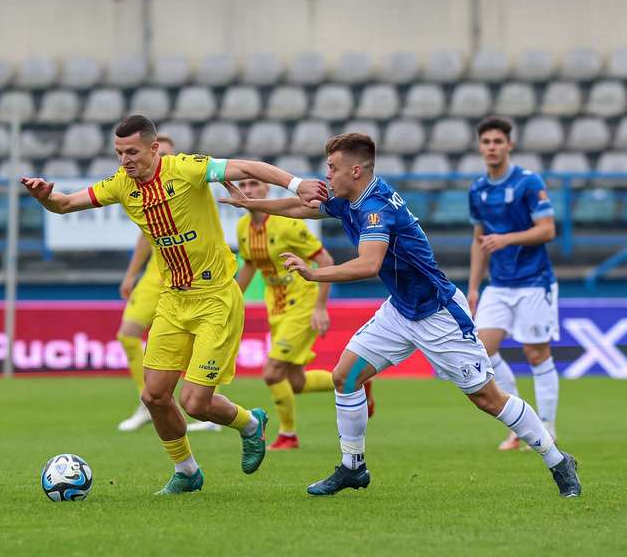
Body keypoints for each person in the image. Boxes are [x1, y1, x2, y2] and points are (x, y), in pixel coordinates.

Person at [219, 132, 581, 498]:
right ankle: (352, 466)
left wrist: (315, 274)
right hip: (401, 309)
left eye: (332, 168)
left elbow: (368, 263)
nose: (326, 174)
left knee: (488, 398)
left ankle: (557, 460)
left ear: (355, 170)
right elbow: (302, 207)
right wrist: (251, 204)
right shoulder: (351, 197)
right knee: (345, 376)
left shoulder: (376, 206)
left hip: (437, 312)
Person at [21, 114, 327, 494]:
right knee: (154, 395)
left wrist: (297, 185)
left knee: (195, 402)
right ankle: (186, 471)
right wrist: (44, 197)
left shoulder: (187, 169)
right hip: (173, 300)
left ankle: (250, 423)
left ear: (153, 148)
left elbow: (247, 166)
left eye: (131, 152)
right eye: (118, 153)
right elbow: (66, 204)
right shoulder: (121, 184)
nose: (124, 160)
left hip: (215, 298)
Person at [234, 178, 373, 450]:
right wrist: (232, 298)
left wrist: (320, 307)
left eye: (254, 185)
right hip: (277, 306)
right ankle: (359, 381)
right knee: (295, 382)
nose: (248, 190)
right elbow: (250, 265)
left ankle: (288, 435)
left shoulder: (288, 223)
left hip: (302, 303)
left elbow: (325, 261)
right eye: (244, 185)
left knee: (273, 373)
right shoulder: (242, 228)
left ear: (266, 190)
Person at [467, 117, 560, 451]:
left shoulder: (528, 182)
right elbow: (479, 241)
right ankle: (522, 422)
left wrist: (506, 239)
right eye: (486, 142)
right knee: (481, 352)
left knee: (536, 354)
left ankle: (547, 426)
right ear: (480, 147)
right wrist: (474, 287)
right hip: (499, 285)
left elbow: (547, 229)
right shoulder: (477, 189)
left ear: (509, 145)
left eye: (497, 141)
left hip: (535, 282)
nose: (492, 147)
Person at [116, 134, 219, 434]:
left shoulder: (185, 181)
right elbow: (144, 235)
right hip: (155, 275)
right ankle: (148, 400)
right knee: (128, 334)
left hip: (192, 278)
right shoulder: (139, 188)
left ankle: (203, 403)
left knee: (193, 340)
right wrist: (131, 274)